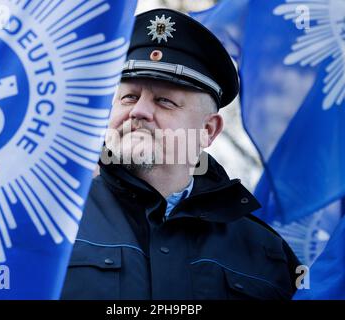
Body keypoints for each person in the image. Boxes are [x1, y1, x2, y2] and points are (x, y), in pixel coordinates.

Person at [61, 8, 300, 300]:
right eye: (129, 97)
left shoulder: (268, 254)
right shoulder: (53, 215)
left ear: (208, 130)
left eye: (164, 101)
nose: (139, 111)